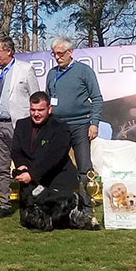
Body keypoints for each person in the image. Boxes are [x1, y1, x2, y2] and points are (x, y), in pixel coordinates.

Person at [10, 91, 94, 231]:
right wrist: (22, 166)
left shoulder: (60, 126)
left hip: (57, 179)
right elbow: (16, 150)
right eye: (33, 110)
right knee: (27, 222)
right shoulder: (21, 124)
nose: (36, 114)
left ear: (49, 109)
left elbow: (55, 156)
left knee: (60, 222)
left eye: (40, 110)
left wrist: (32, 174)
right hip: (31, 181)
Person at [0, 36, 39, 218]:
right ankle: (5, 204)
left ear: (9, 51)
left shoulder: (25, 69)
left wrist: (33, 126)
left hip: (19, 125)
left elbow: (36, 98)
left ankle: (30, 202)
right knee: (2, 167)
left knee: (24, 165)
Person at [45, 36, 103, 182]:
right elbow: (48, 100)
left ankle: (85, 197)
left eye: (60, 53)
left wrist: (94, 123)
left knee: (84, 166)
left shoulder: (84, 71)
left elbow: (97, 98)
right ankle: (60, 195)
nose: (57, 57)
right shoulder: (52, 73)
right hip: (57, 126)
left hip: (80, 125)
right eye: (54, 54)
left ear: (70, 52)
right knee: (55, 164)